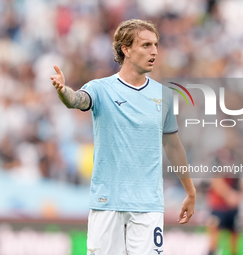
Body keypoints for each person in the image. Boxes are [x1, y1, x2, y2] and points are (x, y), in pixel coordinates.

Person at [50, 19, 196, 255]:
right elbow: (77, 100)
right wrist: (63, 91)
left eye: (156, 45)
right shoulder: (101, 88)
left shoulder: (164, 95)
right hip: (107, 203)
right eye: (146, 45)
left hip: (148, 206)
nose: (154, 51)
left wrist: (190, 191)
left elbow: (173, 145)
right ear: (125, 49)